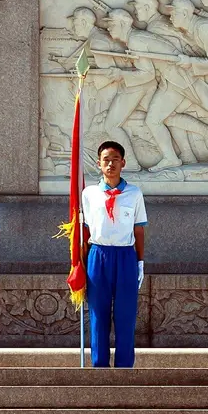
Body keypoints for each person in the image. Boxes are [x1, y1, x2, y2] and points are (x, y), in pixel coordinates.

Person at [81, 141, 146, 368]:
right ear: (99, 164)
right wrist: (80, 262)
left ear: (123, 163)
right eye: (106, 160)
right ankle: (99, 367)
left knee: (125, 315)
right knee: (98, 314)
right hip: (98, 255)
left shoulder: (134, 194)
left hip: (125, 255)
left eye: (115, 160)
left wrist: (140, 261)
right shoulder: (89, 194)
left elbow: (138, 229)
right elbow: (84, 230)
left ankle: (124, 367)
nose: (110, 164)